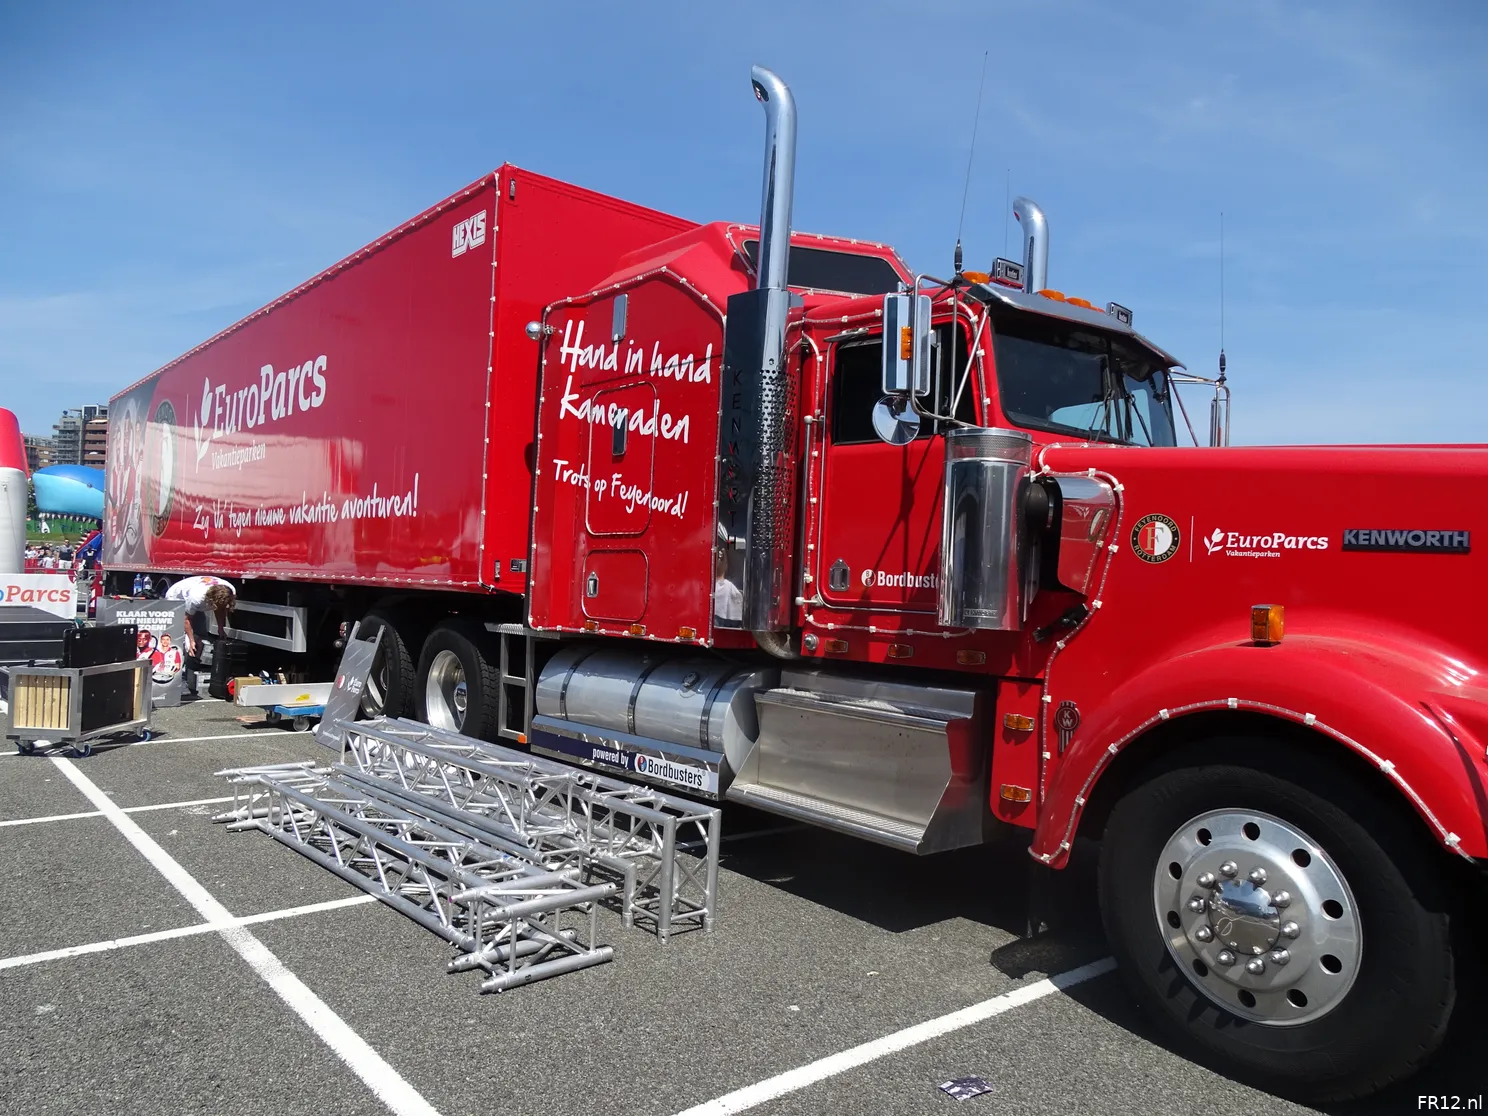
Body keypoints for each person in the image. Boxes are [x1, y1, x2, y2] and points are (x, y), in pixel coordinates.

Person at [164, 575, 236, 698]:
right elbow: (186, 620)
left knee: (200, 635)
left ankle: (191, 675)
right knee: (183, 642)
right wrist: (191, 640)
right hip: (176, 598)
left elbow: (220, 609)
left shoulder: (230, 590)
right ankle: (180, 681)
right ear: (211, 599)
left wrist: (220, 629)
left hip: (197, 599)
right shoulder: (197, 597)